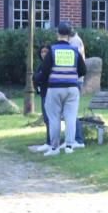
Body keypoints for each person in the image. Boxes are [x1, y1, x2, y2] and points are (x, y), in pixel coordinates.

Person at [37, 23, 86, 156]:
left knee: (54, 118)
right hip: (72, 88)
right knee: (70, 118)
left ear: (57, 34)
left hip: (55, 88)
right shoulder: (75, 50)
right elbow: (83, 70)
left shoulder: (52, 50)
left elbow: (45, 70)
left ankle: (54, 148)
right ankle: (69, 146)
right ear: (69, 35)